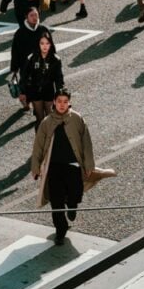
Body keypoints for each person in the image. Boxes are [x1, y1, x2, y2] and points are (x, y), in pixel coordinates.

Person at [30, 89, 96, 244]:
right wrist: (35, 167)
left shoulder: (77, 119)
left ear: (69, 102)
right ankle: (61, 229)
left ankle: (72, 205)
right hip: (54, 168)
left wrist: (89, 164)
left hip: (73, 165)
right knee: (56, 201)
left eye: (65, 101)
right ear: (54, 102)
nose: (62, 105)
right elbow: (38, 146)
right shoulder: (47, 122)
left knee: (75, 194)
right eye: (59, 101)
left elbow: (86, 143)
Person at [19, 31, 65, 128]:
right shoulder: (32, 58)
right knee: (40, 119)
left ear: (51, 44)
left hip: (49, 91)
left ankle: (51, 140)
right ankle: (40, 140)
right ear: (38, 44)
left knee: (50, 118)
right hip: (35, 91)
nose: (45, 46)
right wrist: (22, 91)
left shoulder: (55, 59)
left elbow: (59, 78)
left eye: (47, 43)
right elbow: (24, 75)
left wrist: (59, 94)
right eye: (42, 43)